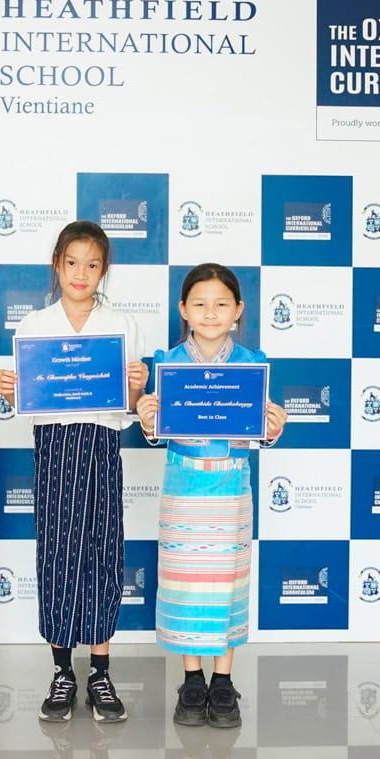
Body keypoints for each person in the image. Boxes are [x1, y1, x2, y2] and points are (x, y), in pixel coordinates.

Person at [0, 221, 149, 723]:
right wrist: (12, 391)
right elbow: (28, 405)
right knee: (58, 555)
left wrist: (137, 384)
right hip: (56, 449)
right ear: (57, 265)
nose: (81, 273)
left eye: (93, 264)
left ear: (105, 271)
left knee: (104, 551)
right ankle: (63, 669)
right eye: (72, 262)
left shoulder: (123, 324)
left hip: (104, 446)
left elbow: (131, 406)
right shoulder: (34, 327)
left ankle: (100, 670)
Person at [136, 263, 287, 728]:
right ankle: (192, 679)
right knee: (186, 586)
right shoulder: (166, 364)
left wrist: (272, 427)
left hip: (230, 491)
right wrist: (146, 418)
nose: (210, 312)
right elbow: (156, 434)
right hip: (183, 491)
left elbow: (259, 429)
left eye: (221, 304)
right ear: (184, 310)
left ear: (238, 311)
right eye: (199, 304)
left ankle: (223, 681)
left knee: (227, 584)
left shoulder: (250, 365)